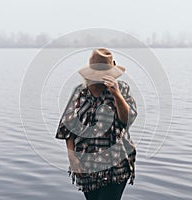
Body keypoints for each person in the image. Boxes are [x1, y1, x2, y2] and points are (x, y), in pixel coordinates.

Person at [55, 48, 138, 200]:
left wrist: (116, 94)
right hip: (86, 166)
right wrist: (72, 158)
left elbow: (127, 120)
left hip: (116, 165)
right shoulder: (80, 92)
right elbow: (67, 127)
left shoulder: (122, 89)